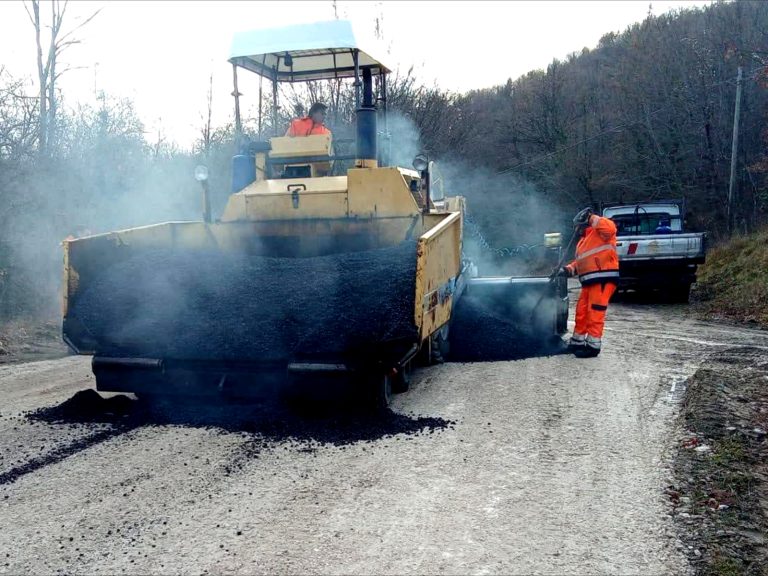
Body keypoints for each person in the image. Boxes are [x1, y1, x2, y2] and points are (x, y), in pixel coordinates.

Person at [557, 207, 619, 358]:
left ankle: (592, 347)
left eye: (577, 226)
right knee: (582, 312)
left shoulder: (600, 232)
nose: (576, 229)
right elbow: (581, 263)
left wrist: (591, 217)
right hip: (589, 281)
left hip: (602, 278)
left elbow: (610, 228)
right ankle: (577, 342)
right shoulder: (584, 241)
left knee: (595, 313)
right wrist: (567, 270)